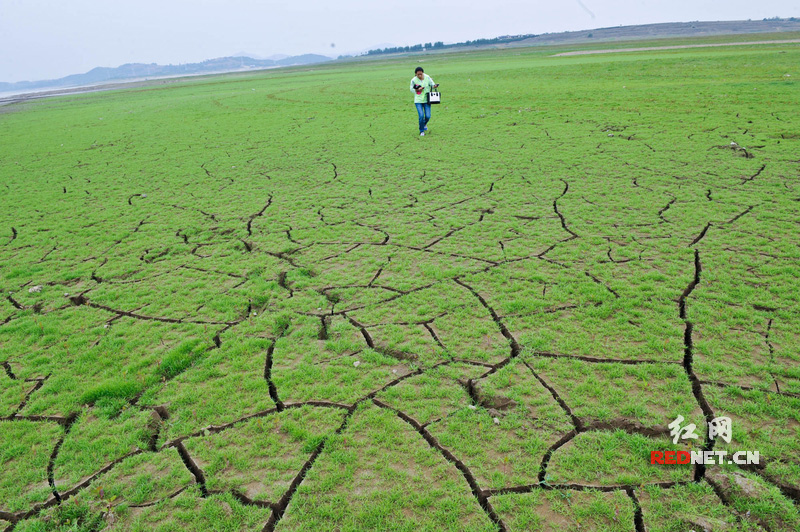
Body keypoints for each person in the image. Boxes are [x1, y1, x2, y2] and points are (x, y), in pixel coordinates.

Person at [410, 67, 439, 136]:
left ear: (423, 73)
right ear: (415, 74)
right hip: (418, 100)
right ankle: (421, 130)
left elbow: (432, 84)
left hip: (427, 100)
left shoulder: (427, 77)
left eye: (421, 74)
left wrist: (435, 86)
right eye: (418, 74)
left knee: (428, 116)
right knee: (421, 115)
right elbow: (411, 89)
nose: (420, 76)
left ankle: (424, 123)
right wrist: (417, 89)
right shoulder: (414, 80)